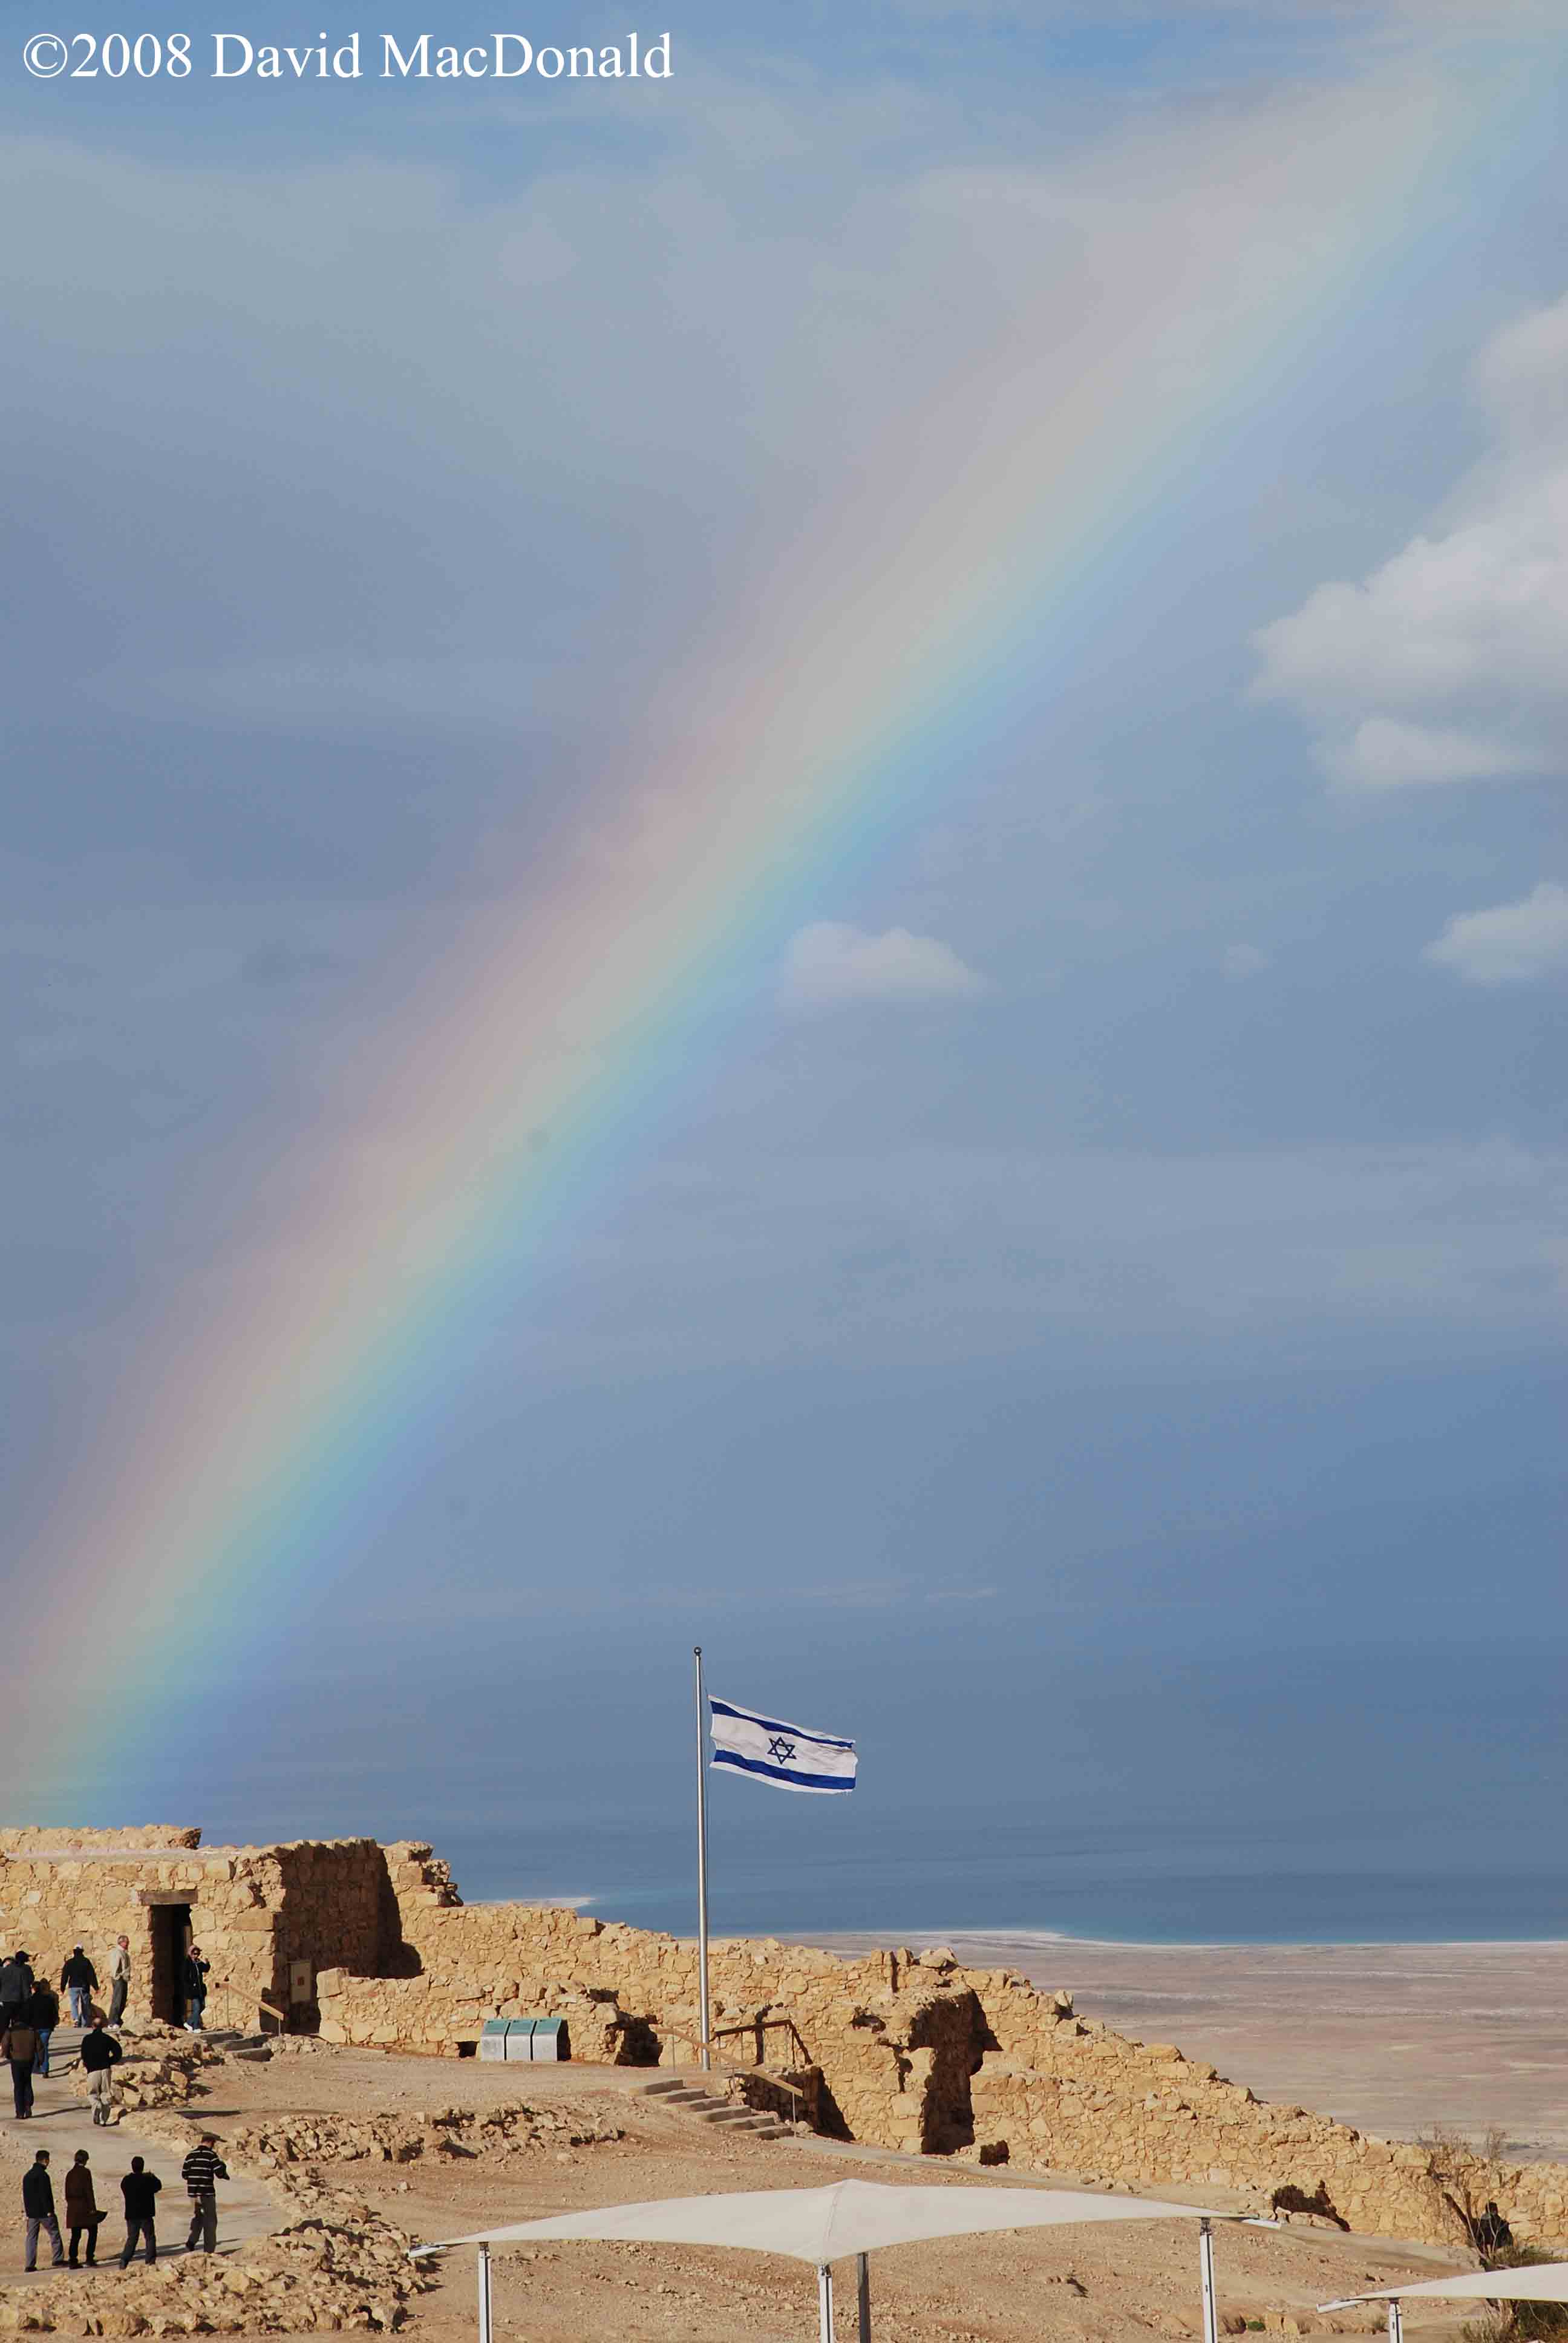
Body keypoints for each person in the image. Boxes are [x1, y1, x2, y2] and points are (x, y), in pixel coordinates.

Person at [180, 2134, 227, 2254]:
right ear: (211, 2143)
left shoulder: (190, 2155)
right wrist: (223, 2166)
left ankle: (191, 2242)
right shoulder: (211, 2155)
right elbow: (220, 2173)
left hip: (193, 2195)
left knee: (199, 2218)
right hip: (206, 2193)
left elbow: (184, 2174)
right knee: (211, 2221)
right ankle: (209, 2252)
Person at [22, 2150, 64, 2272]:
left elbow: (26, 2196)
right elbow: (45, 2195)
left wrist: (28, 2212)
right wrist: (50, 2210)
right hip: (45, 2213)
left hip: (31, 2214)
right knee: (54, 2234)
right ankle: (58, 2259)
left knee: (31, 2238)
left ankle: (30, 2265)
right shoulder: (43, 2175)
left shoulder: (28, 2175)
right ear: (45, 2160)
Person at [78, 2017, 122, 2126]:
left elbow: (84, 2055)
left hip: (93, 2070)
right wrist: (110, 2061)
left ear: (93, 2026)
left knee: (92, 2093)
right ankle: (103, 2120)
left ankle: (96, 2105)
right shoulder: (107, 2039)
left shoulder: (87, 2039)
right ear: (102, 2026)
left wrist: (88, 2064)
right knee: (105, 2094)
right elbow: (118, 2051)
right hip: (105, 2069)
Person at [119, 2157, 160, 2267]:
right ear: (143, 2166)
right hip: (146, 2214)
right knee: (150, 2237)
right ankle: (150, 2260)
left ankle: (124, 2259)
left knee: (132, 2238)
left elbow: (123, 2187)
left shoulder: (127, 2180)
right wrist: (152, 2176)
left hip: (131, 2215)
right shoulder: (148, 2179)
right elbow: (158, 2186)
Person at [64, 2150, 100, 2267]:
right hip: (84, 2208)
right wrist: (93, 2208)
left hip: (73, 2209)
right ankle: (90, 2258)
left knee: (76, 2235)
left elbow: (67, 2193)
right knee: (93, 2231)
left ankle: (73, 2260)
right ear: (85, 2160)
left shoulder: (70, 2174)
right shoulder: (85, 2172)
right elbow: (89, 2191)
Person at [1, 2009, 39, 2119]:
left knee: (18, 2086)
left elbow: (5, 2045)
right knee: (27, 2082)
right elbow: (40, 2047)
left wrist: (8, 2056)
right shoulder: (32, 2031)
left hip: (16, 2061)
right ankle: (28, 2105)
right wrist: (40, 2060)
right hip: (29, 2060)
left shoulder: (11, 2031)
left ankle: (20, 2112)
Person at [26, 1979, 58, 2080]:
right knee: (44, 2048)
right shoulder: (49, 1999)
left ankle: (35, 2067)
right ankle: (45, 2070)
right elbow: (54, 2014)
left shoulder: (30, 2000)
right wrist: (53, 2024)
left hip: (34, 2028)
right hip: (46, 2027)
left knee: (35, 2048)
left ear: (33, 1989)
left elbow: (26, 2015)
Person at [60, 1947, 97, 2029]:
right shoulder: (86, 1962)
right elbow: (92, 1975)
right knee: (85, 2005)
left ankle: (76, 2019)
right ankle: (84, 2024)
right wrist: (96, 1987)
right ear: (82, 1952)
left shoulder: (69, 1962)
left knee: (74, 2003)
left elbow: (65, 1976)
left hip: (73, 1986)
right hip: (84, 1986)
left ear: (74, 1952)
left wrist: (62, 1988)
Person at [181, 1947, 209, 2032]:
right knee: (197, 2008)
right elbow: (185, 1976)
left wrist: (207, 1963)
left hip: (200, 1990)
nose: (196, 1956)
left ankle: (189, 2023)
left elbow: (205, 1969)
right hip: (193, 1990)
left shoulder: (198, 1962)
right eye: (194, 1954)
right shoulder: (187, 1963)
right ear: (191, 1953)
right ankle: (196, 2027)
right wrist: (191, 1984)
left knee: (202, 2006)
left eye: (197, 1954)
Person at [108, 1937, 131, 2028]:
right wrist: (117, 1977)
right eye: (127, 1942)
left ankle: (117, 2020)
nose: (128, 1944)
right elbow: (115, 1965)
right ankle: (112, 2022)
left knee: (122, 2000)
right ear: (121, 1943)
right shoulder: (117, 1952)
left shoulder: (124, 1953)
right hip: (119, 1979)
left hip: (124, 1979)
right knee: (117, 2000)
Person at [0, 1953, 30, 2023]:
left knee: (5, 2022)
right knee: (16, 2021)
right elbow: (25, 1987)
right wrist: (27, 1999)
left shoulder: (2, 1971)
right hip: (17, 2000)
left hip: (4, 2000)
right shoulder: (21, 1971)